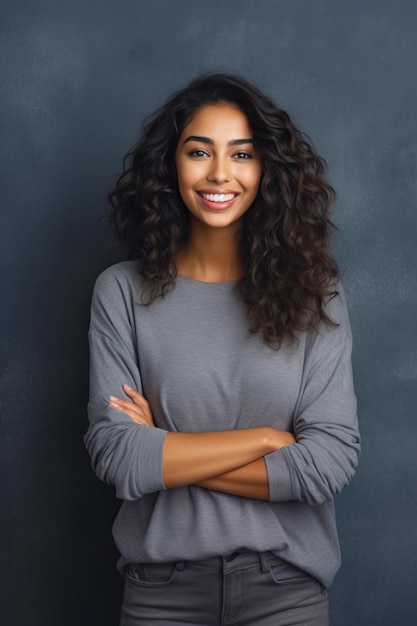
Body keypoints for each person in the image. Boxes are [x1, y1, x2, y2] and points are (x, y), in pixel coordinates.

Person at [85, 72, 360, 626]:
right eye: (198, 151)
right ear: (171, 165)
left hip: (285, 592)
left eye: (242, 154)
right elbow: (119, 457)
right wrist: (266, 440)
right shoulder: (121, 291)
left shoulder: (316, 293)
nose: (219, 173)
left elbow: (325, 465)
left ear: (265, 171)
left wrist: (166, 449)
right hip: (161, 594)